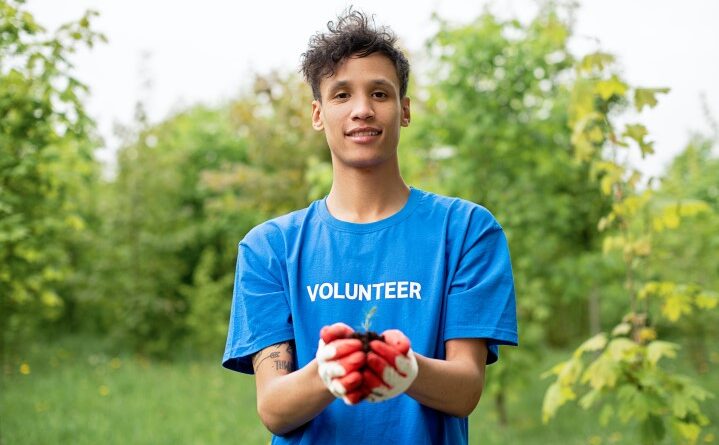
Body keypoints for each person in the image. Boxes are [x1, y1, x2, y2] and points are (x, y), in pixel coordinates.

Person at [222, 9, 518, 444]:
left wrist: (403, 368)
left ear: (404, 110)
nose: (362, 109)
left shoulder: (467, 231)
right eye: (342, 95)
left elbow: (465, 389)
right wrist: (331, 369)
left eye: (380, 93)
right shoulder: (269, 248)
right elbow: (274, 409)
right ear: (318, 114)